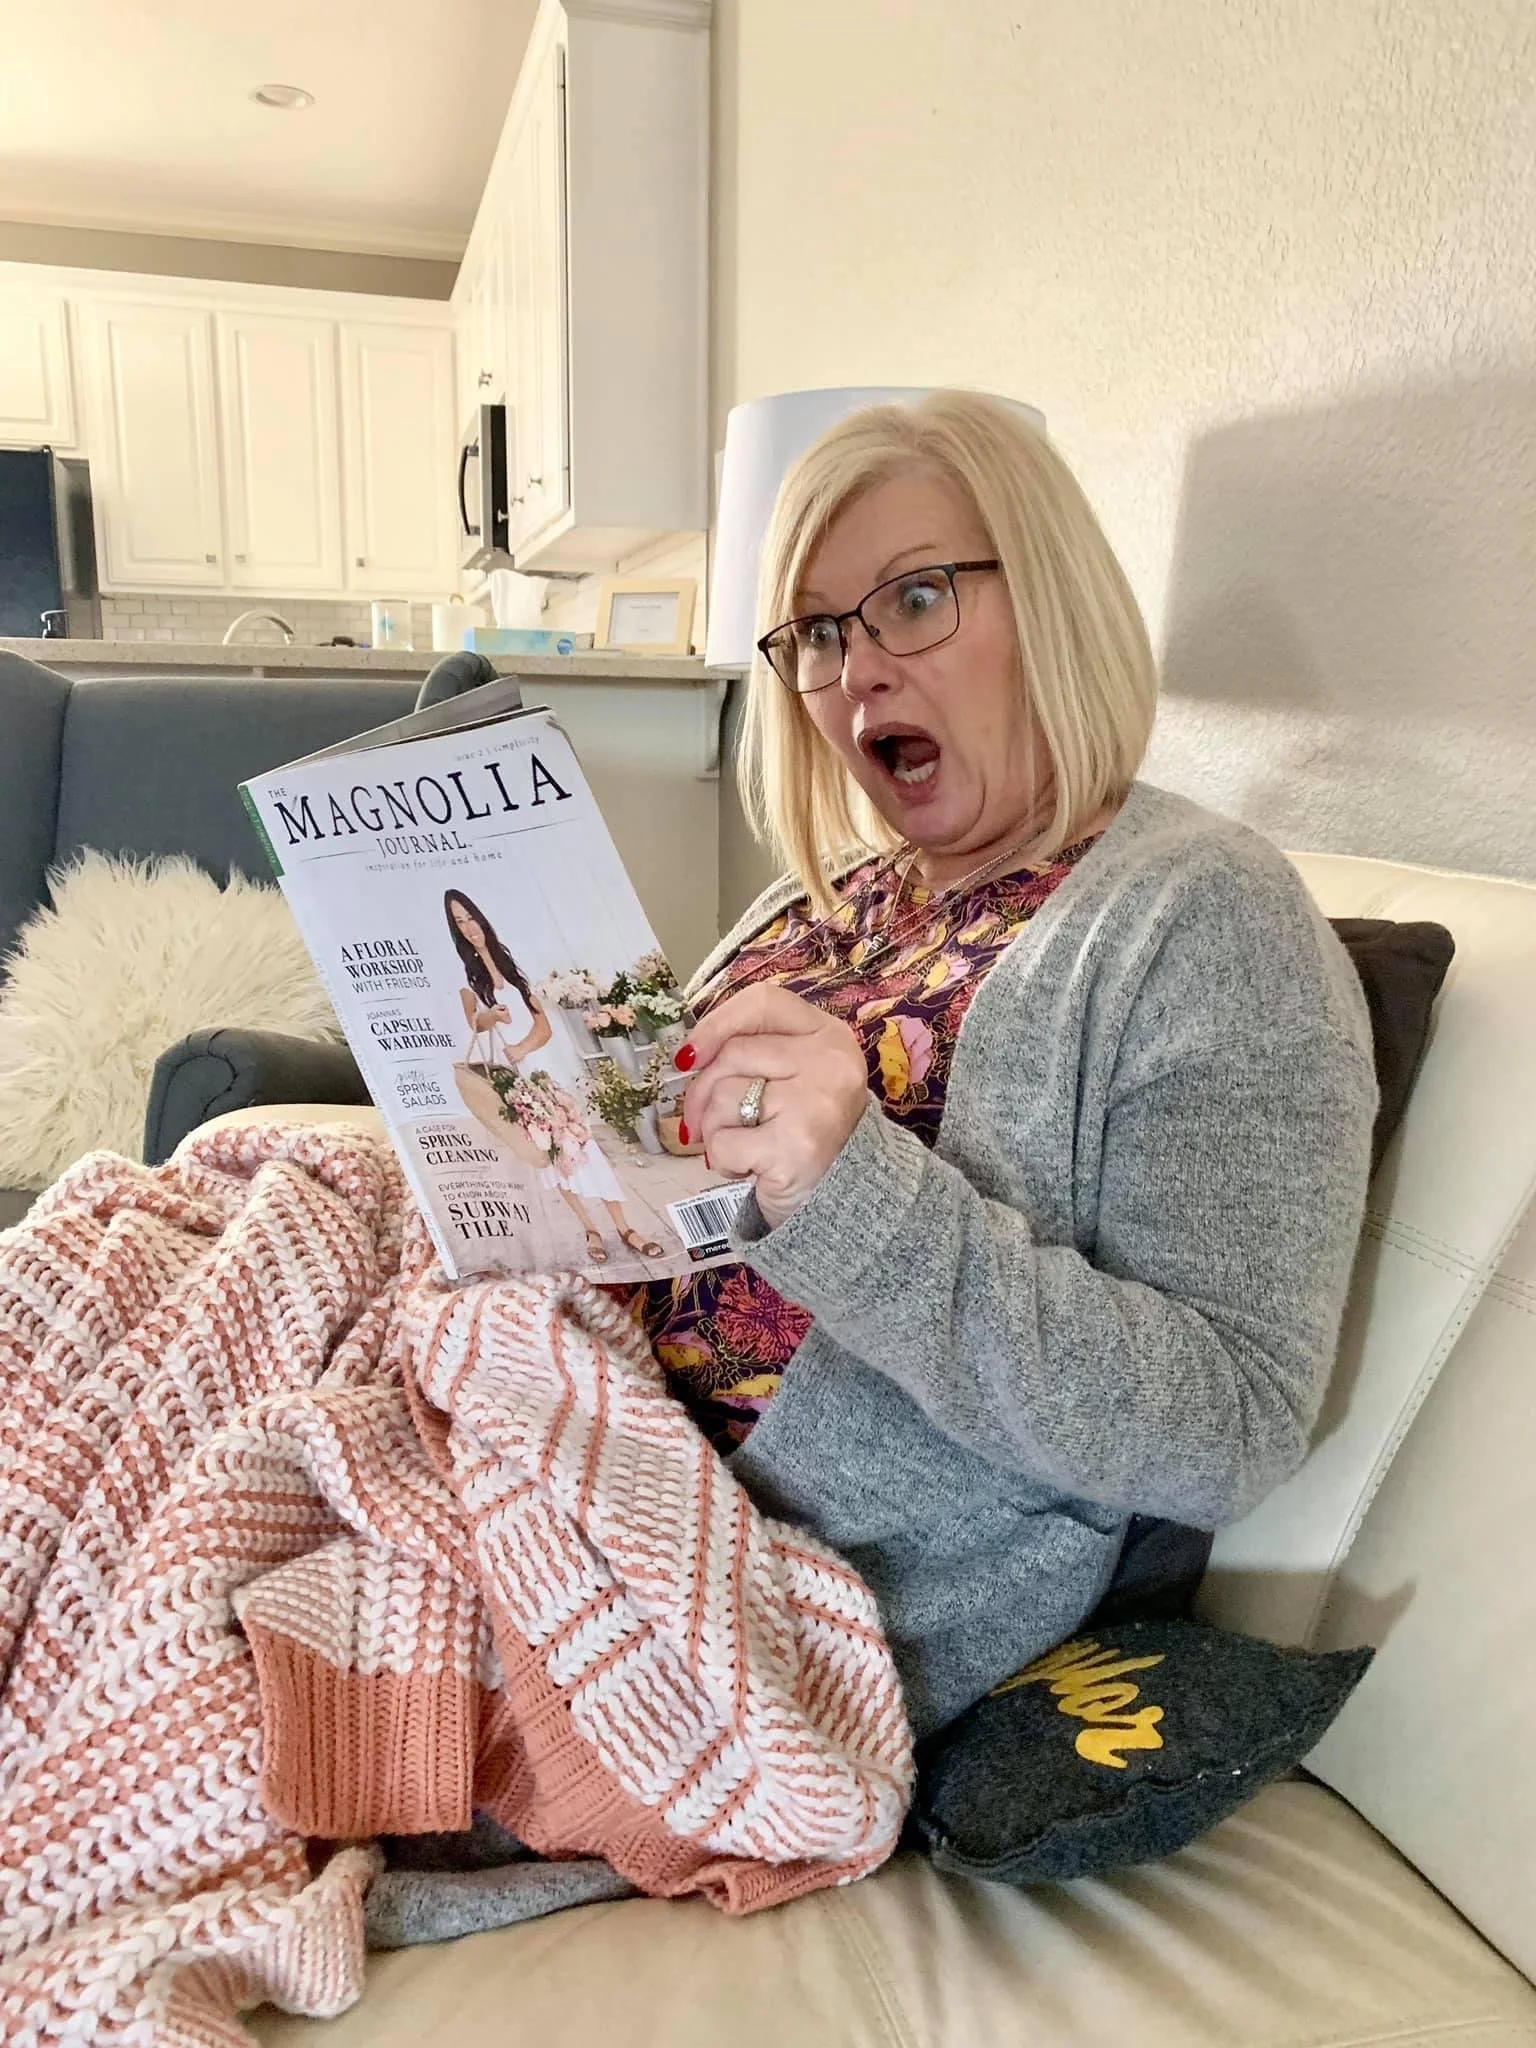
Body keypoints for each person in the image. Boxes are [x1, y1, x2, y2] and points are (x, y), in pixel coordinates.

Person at [627, 391, 1377, 1741]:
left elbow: (1232, 1423)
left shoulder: (1203, 914)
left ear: (1054, 605)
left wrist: (847, 1192)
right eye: (818, 633)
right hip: (563, 1430)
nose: (857, 672)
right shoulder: (817, 897)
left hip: (745, 1596)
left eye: (915, 600)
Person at [445, 889, 664, 1265]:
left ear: (481, 918)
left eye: (470, 917)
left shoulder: (510, 968)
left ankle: (624, 1227)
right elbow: (475, 1025)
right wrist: (492, 1017)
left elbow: (544, 1028)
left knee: (584, 1147)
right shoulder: (465, 978)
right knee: (552, 1157)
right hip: (512, 1083)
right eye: (459, 922)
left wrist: (523, 1048)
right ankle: (589, 1228)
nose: (468, 927)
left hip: (541, 1073)